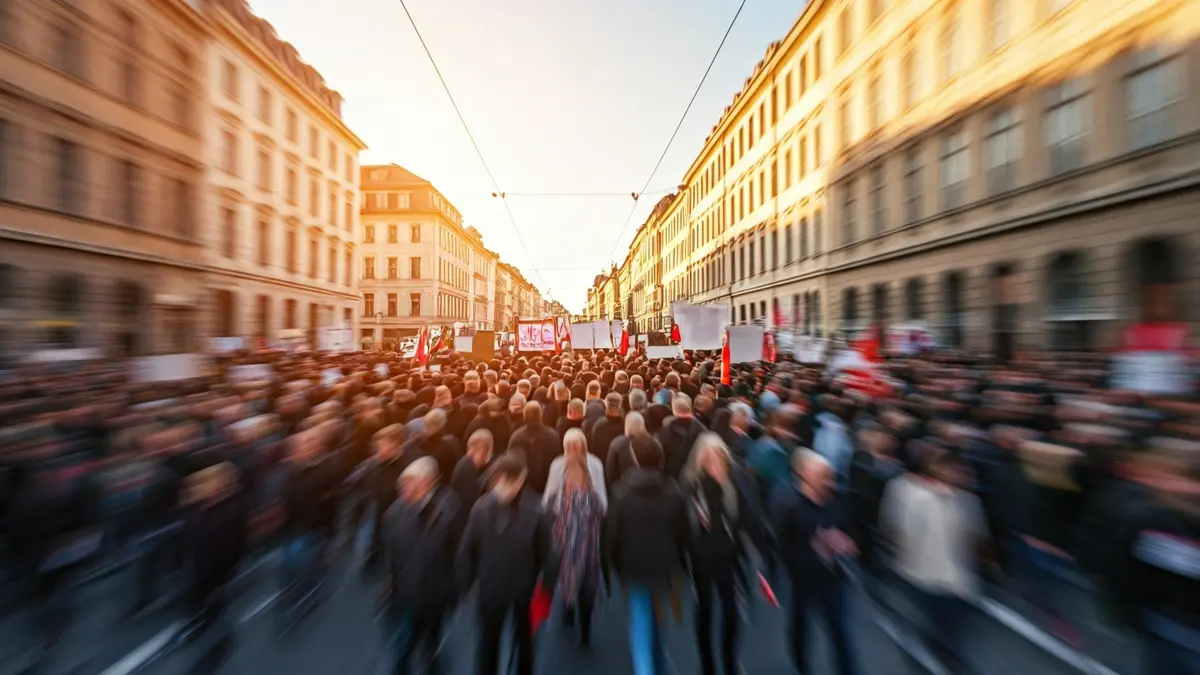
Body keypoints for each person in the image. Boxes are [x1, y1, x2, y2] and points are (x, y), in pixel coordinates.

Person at [880, 446, 986, 674]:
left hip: (957, 584)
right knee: (924, 636)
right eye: (953, 470)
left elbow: (975, 539)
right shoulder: (908, 493)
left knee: (953, 639)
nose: (959, 475)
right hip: (921, 579)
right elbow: (895, 530)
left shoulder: (969, 502)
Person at [456, 454, 557, 675]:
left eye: (508, 480)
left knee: (524, 642)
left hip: (524, 592)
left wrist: (546, 590)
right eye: (498, 480)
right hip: (491, 589)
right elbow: (467, 549)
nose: (501, 486)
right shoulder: (481, 509)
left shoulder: (537, 512)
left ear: (520, 480)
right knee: (488, 643)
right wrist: (465, 585)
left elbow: (549, 556)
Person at [604, 434, 691, 675]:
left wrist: (613, 565)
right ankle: (658, 661)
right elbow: (683, 532)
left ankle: (645, 668)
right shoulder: (673, 492)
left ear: (634, 458)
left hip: (633, 565)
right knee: (658, 617)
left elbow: (613, 534)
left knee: (640, 619)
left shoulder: (621, 492)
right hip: (664, 564)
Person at [770, 449, 857, 675]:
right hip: (803, 578)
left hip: (833, 576)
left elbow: (850, 531)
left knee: (839, 630)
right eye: (822, 474)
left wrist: (846, 542)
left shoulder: (836, 500)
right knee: (801, 625)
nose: (828, 480)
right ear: (804, 474)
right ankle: (801, 665)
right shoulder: (788, 502)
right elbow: (779, 542)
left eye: (828, 474)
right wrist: (811, 547)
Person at [382, 456, 461, 675]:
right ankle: (403, 664)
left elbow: (456, 551)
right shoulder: (393, 514)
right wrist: (389, 578)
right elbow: (390, 550)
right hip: (405, 590)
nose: (404, 488)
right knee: (405, 636)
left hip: (435, 590)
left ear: (428, 483)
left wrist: (454, 588)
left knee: (431, 633)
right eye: (403, 484)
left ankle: (431, 658)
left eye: (411, 483)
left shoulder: (446, 509)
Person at [682, 433, 750, 675]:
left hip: (728, 559)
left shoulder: (733, 484)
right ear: (701, 461)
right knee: (705, 610)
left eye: (720, 459)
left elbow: (743, 517)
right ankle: (707, 663)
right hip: (702, 561)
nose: (717, 465)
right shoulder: (693, 485)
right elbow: (689, 526)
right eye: (711, 460)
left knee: (731, 612)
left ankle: (730, 660)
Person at [550, 452, 605, 647]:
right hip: (587, 554)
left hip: (573, 556)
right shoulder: (593, 499)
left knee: (573, 591)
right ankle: (583, 629)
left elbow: (555, 529)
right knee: (584, 594)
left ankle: (573, 619)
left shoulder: (560, 501)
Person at [543, 427, 607, 511]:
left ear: (583, 446)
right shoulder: (557, 465)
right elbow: (549, 493)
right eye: (569, 447)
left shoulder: (595, 464)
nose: (572, 452)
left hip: (588, 511)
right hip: (562, 514)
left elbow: (600, 491)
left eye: (575, 446)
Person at [451, 429, 493, 519]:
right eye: (490, 451)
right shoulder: (467, 473)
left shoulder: (467, 465)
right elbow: (471, 506)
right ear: (482, 450)